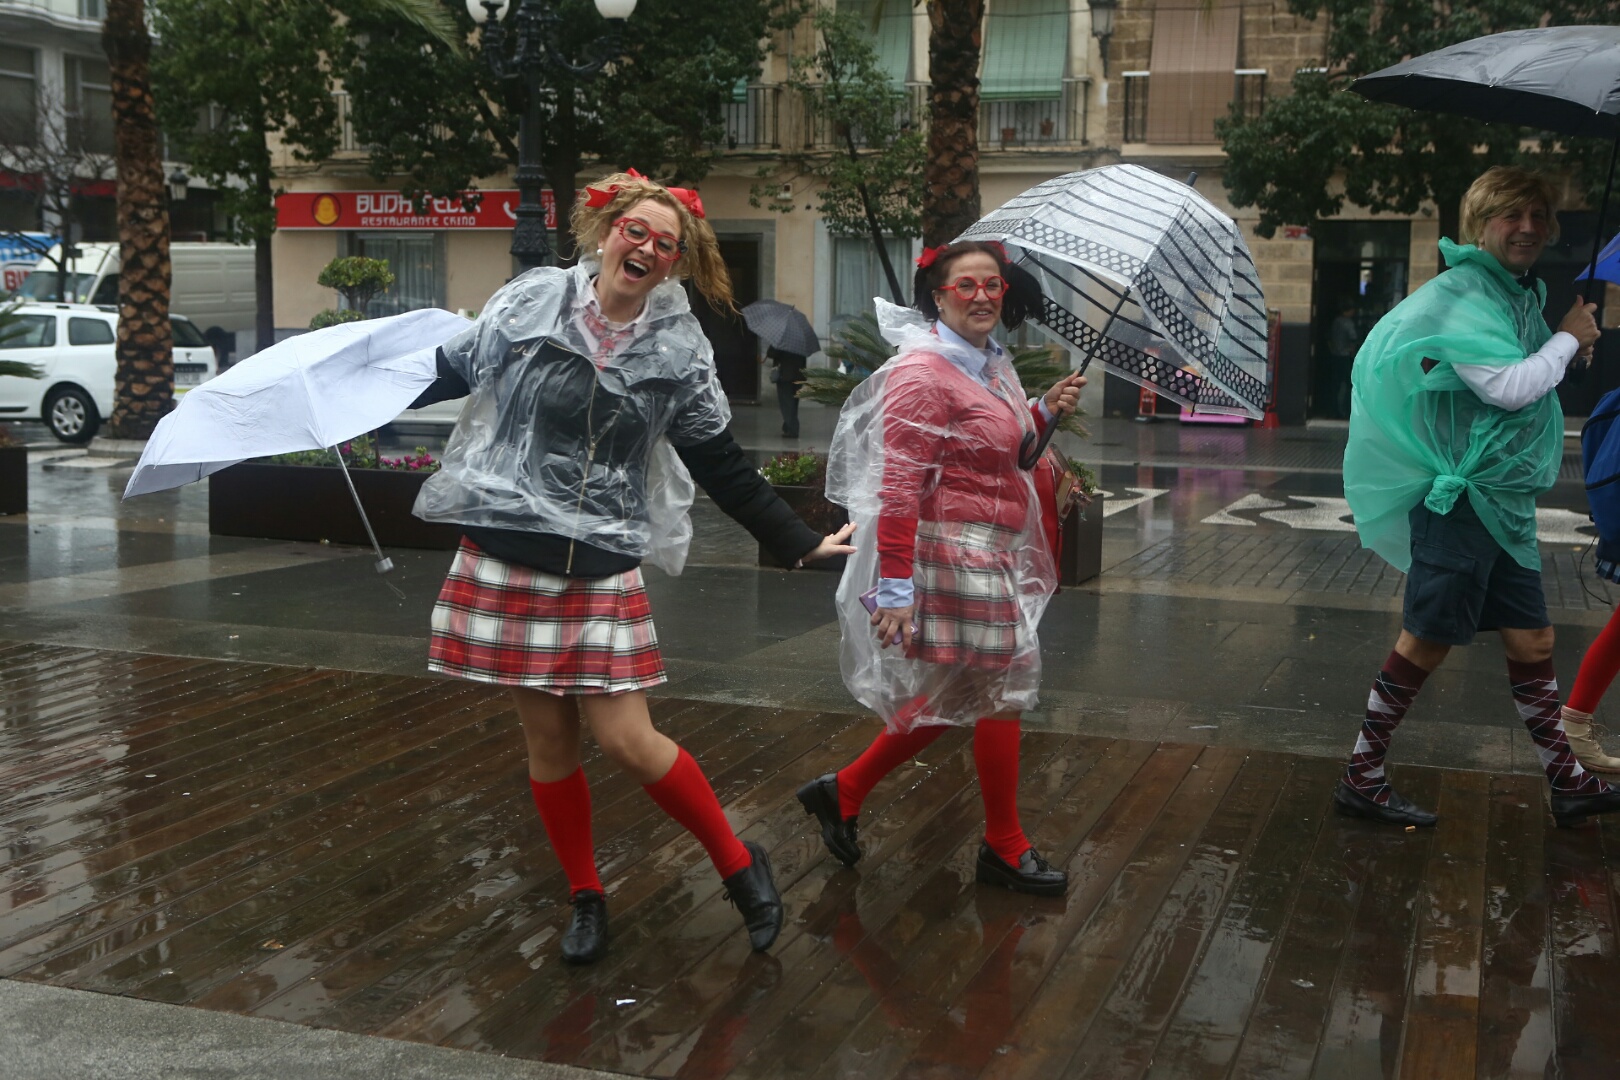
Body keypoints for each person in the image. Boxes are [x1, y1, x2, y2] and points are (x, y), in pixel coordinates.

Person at [407, 170, 856, 965]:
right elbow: (447, 369)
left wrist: (796, 538)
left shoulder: (678, 350)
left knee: (626, 740)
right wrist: (346, 387)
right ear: (606, 231)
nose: (645, 248)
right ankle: (586, 894)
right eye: (634, 231)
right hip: (508, 547)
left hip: (600, 558)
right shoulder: (531, 302)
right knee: (549, 745)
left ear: (677, 263)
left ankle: (736, 861)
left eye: (665, 243)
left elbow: (719, 460)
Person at [795, 240, 1085, 894]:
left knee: (962, 695)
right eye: (966, 286)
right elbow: (898, 486)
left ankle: (843, 790)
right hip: (951, 548)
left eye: (993, 284)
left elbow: (999, 453)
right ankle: (1004, 848)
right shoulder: (924, 373)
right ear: (939, 295)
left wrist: (1042, 412)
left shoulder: (986, 365)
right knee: (1004, 691)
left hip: (985, 546)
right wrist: (894, 589)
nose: (982, 295)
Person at [1338, 165, 1617, 828]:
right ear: (1479, 223)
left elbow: (1519, 378)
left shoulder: (1512, 293)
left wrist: (1563, 344)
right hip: (1462, 507)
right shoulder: (1464, 294)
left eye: (1538, 216)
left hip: (1504, 508)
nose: (1527, 228)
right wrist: (1566, 338)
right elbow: (1509, 387)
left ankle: (1567, 779)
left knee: (1533, 639)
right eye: (1510, 216)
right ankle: (1361, 774)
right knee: (1426, 641)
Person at [770, 345, 809, 438]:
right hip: (798, 376)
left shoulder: (781, 342)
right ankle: (787, 426)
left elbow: (771, 353)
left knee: (787, 403)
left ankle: (793, 430)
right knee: (793, 403)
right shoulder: (800, 343)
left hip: (785, 377)